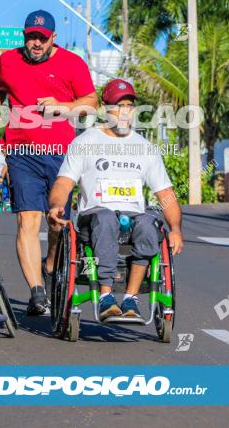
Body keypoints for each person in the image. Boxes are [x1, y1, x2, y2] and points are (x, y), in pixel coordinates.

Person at [0, 9, 97, 315]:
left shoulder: (72, 63)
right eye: (30, 37)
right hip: (21, 152)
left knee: (56, 220)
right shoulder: (8, 60)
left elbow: (91, 103)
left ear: (53, 39)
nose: (35, 43)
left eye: (41, 38)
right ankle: (36, 292)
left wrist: (63, 106)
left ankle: (49, 264)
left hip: (63, 155)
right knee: (27, 219)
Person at [47, 79, 184, 320]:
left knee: (148, 223)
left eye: (129, 106)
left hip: (132, 218)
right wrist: (57, 205)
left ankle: (130, 299)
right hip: (95, 217)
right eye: (117, 106)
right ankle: (106, 296)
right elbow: (64, 182)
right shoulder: (85, 142)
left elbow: (165, 194)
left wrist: (175, 228)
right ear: (104, 108)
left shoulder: (145, 148)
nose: (124, 112)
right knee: (107, 218)